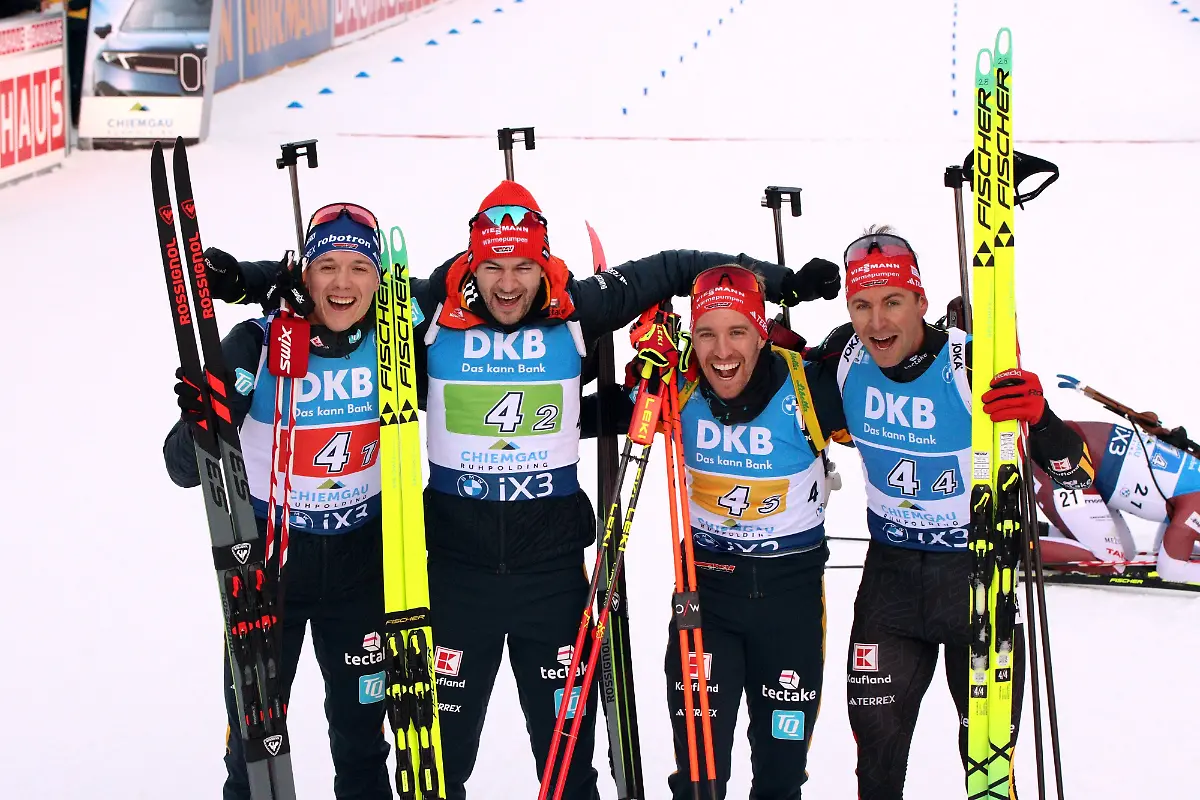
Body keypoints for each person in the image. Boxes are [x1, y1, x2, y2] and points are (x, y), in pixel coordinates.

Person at [190, 180, 837, 799]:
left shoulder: (577, 310)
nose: (507, 283)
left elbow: (674, 267)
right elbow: (342, 283)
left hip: (551, 586)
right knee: (438, 769)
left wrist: (777, 285)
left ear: (544, 266)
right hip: (454, 585)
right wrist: (251, 281)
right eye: (493, 267)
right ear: (471, 263)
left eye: (523, 267)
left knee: (568, 771)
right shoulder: (428, 312)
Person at [794, 226, 1095, 799]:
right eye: (862, 305)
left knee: (987, 767)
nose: (877, 323)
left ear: (921, 303)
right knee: (877, 758)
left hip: (977, 576)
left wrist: (1042, 420)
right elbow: (781, 407)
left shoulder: (968, 364)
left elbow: (1074, 472)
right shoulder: (843, 359)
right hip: (891, 585)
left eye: (892, 303)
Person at [164, 204, 394, 799]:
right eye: (327, 267)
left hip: (361, 576)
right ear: (305, 275)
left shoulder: (397, 336)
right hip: (268, 577)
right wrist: (203, 417)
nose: (342, 284)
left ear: (380, 277)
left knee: (364, 749)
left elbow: (479, 289)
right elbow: (182, 468)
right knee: (252, 753)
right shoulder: (257, 342)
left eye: (358, 268)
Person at [631, 263, 837, 799]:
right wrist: (641, 378)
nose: (722, 352)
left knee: (781, 774)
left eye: (737, 331)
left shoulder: (807, 387)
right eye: (706, 334)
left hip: (789, 604)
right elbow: (584, 417)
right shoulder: (677, 387)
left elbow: (886, 401)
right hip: (706, 600)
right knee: (699, 776)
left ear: (762, 332)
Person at [1032, 419, 1200, 585]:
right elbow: (1170, 570)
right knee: (1110, 563)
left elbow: (1164, 547)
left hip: (1074, 456)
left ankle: (1037, 533)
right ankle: (1011, 546)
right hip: (1059, 462)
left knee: (1125, 554)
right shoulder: (1195, 508)